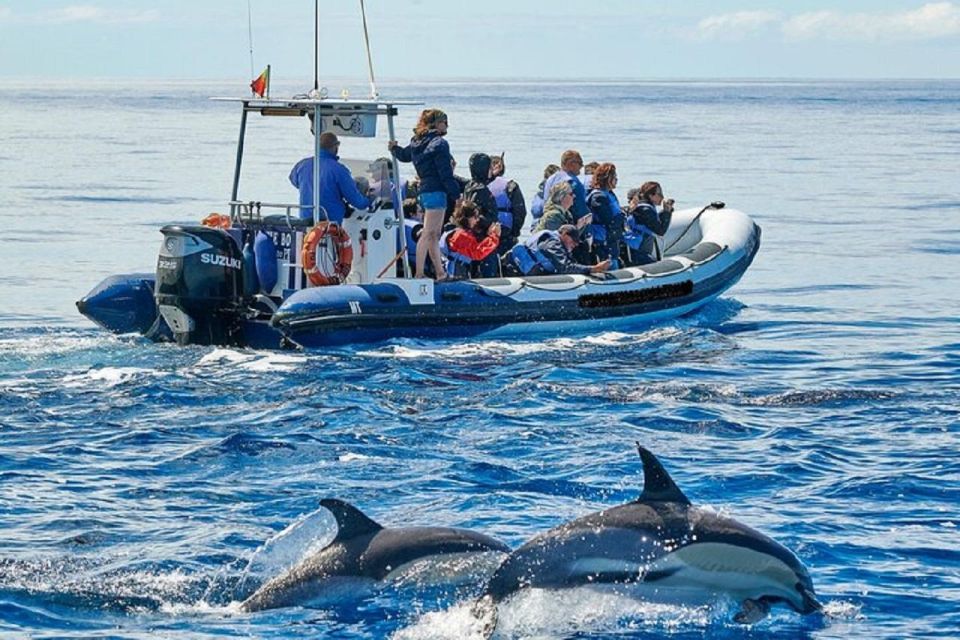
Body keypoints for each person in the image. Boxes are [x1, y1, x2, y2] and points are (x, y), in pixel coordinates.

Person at [388, 109, 462, 280]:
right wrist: (456, 195)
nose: (447, 125)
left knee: (434, 235)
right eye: (445, 121)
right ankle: (419, 273)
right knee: (428, 233)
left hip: (425, 191)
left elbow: (404, 155)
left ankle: (440, 273)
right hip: (437, 191)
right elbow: (445, 174)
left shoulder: (416, 142)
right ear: (436, 123)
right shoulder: (440, 144)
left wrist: (394, 148)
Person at [290, 130, 371, 223]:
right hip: (330, 225)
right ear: (335, 146)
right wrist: (369, 200)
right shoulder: (339, 170)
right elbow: (358, 202)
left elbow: (294, 180)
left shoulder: (302, 165)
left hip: (305, 221)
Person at [510, 224, 611, 276]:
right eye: (574, 240)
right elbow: (564, 267)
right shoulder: (551, 243)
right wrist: (593, 269)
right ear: (564, 234)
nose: (575, 244)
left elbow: (570, 264)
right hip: (515, 272)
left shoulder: (559, 245)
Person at [441, 201, 502, 279]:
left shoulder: (459, 232)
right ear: (466, 217)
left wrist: (489, 235)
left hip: (458, 271)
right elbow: (478, 252)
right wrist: (494, 236)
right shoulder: (460, 235)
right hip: (454, 273)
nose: (477, 220)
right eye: (475, 217)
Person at [624, 181, 675, 265]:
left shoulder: (644, 206)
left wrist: (665, 212)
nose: (662, 197)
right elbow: (660, 231)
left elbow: (653, 222)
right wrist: (667, 212)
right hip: (638, 252)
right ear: (651, 196)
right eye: (659, 194)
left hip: (638, 249)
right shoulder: (645, 210)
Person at [585, 162, 625, 269]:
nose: (616, 180)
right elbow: (608, 220)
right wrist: (622, 216)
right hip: (603, 242)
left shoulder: (609, 194)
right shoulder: (598, 197)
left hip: (612, 240)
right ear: (607, 178)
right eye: (614, 177)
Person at [487, 154, 527, 254]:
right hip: (506, 230)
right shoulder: (511, 185)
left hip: (485, 229)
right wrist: (515, 233)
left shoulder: (477, 184)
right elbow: (520, 212)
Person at [541, 150, 589, 222]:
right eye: (580, 163)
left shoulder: (550, 179)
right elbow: (581, 210)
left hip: (548, 220)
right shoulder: (573, 182)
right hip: (567, 226)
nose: (582, 166)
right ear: (571, 164)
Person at [462, 153, 499, 230]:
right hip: (481, 232)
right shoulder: (482, 190)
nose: (492, 170)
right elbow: (491, 215)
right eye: (490, 168)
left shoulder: (468, 186)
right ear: (484, 169)